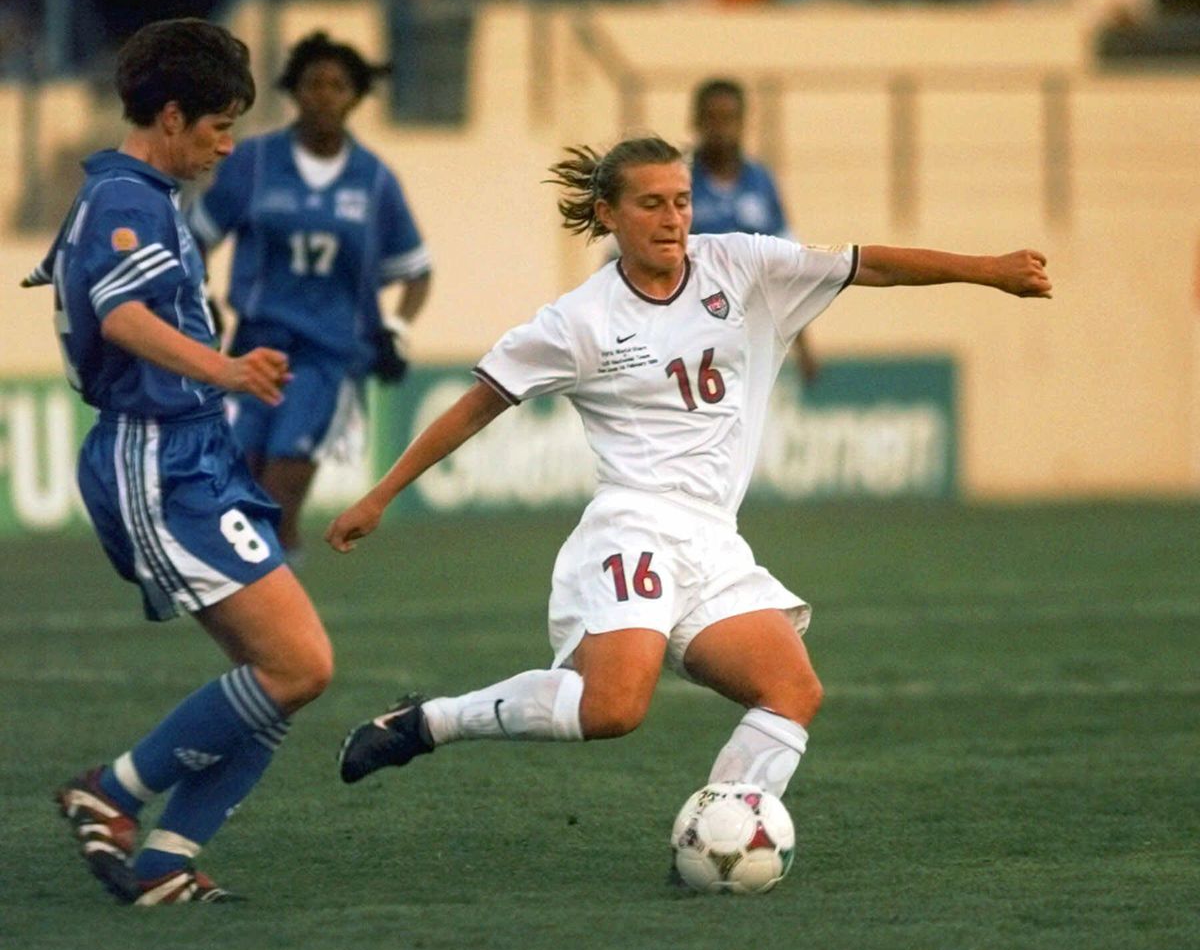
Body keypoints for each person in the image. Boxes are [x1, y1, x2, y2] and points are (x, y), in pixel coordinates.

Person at [326, 139, 1051, 852]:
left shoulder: (740, 264)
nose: (673, 218)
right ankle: (430, 724)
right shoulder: (581, 320)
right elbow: (478, 403)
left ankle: (721, 840)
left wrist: (988, 271)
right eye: (651, 204)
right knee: (612, 709)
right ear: (608, 214)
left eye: (681, 201)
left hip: (712, 540)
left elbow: (868, 264)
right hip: (632, 525)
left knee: (792, 691)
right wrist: (381, 494)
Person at [23, 19, 333, 905]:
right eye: (218, 126)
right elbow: (119, 316)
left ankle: (164, 863)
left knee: (287, 675)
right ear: (169, 116)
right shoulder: (126, 198)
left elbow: (84, 283)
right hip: (157, 458)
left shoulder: (131, 196)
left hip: (193, 452)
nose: (227, 145)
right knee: (299, 666)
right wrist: (226, 367)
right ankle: (113, 792)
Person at [187, 31, 433, 557]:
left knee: (279, 495)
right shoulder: (252, 163)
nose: (324, 95)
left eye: (337, 85)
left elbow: (416, 271)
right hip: (255, 346)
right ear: (293, 92)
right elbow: (197, 238)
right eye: (312, 83)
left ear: (356, 97)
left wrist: (396, 329)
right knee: (241, 493)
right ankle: (256, 614)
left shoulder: (374, 180)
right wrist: (200, 295)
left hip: (329, 358)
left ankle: (277, 619)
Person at [689, 77, 819, 384]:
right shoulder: (680, 179)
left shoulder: (761, 182)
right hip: (692, 329)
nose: (720, 128)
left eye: (729, 118)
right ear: (695, 121)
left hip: (752, 331)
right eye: (712, 118)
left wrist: (804, 344)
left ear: (743, 121)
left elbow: (788, 265)